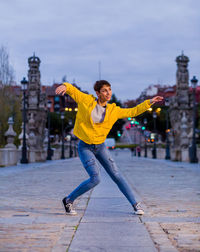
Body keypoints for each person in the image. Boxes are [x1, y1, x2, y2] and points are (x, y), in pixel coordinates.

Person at [55, 80, 163, 215]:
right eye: (105, 90)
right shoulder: (86, 100)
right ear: (98, 93)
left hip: (100, 146)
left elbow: (133, 111)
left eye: (110, 90)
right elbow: (73, 91)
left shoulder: (113, 110)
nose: (108, 93)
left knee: (117, 175)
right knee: (95, 178)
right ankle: (68, 200)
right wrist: (65, 86)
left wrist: (150, 102)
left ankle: (135, 204)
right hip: (85, 147)